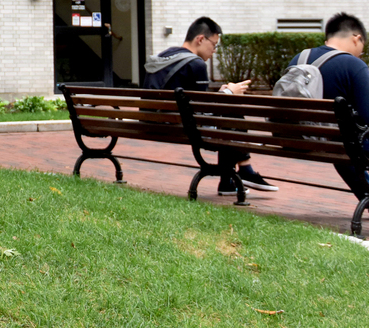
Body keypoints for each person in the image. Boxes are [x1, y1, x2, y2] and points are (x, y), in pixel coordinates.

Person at [142, 17, 274, 195]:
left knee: (227, 112)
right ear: (200, 39)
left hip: (152, 123)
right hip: (180, 127)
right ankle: (240, 173)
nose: (214, 50)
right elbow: (203, 110)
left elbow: (192, 100)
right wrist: (228, 94)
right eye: (214, 44)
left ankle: (236, 176)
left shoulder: (163, 56)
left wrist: (220, 94)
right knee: (231, 113)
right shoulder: (196, 64)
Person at [283, 12, 369, 197]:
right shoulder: (353, 65)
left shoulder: (299, 59)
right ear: (357, 38)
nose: (361, 53)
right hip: (343, 145)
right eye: (363, 48)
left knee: (343, 143)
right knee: (350, 142)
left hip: (296, 139)